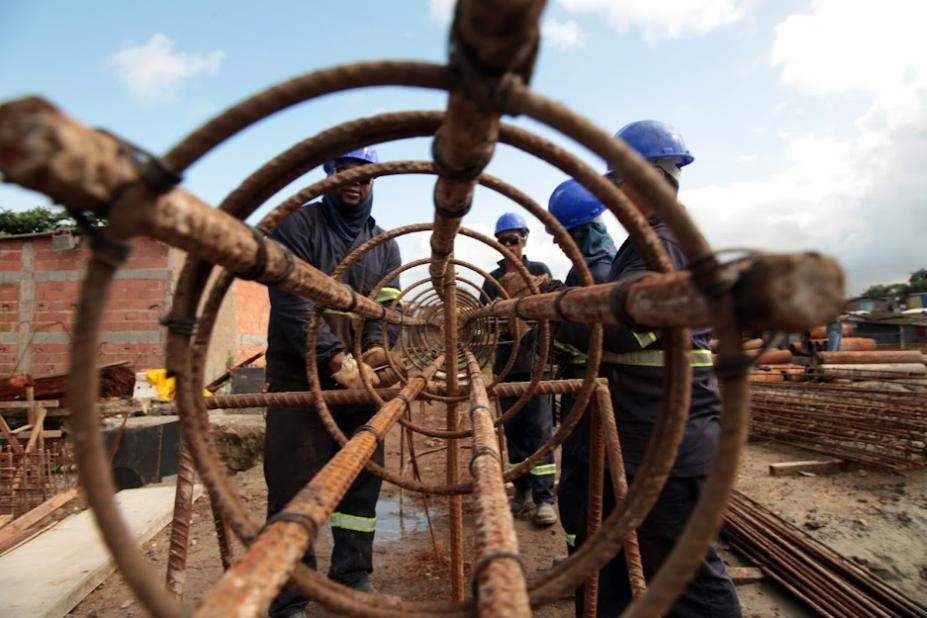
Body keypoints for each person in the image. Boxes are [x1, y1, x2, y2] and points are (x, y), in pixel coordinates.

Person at [569, 120, 742, 617]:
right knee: (641, 558)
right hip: (661, 431)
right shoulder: (654, 239)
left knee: (687, 577)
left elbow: (628, 326)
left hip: (670, 440)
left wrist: (559, 312)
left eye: (617, 183)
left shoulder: (658, 244)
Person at [263, 146, 402, 617]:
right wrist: (335, 357)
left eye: (364, 174)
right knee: (293, 486)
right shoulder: (298, 226)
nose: (355, 181)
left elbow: (386, 309)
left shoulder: (385, 243)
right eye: (345, 171)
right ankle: (288, 598)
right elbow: (293, 301)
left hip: (362, 382)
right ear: (329, 173)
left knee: (362, 483)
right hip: (299, 377)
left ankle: (352, 577)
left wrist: (377, 351)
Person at [545, 178, 617, 553]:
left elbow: (585, 338)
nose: (556, 242)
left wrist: (550, 318)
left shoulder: (599, 276)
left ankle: (584, 561)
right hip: (581, 392)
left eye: (561, 234)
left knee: (584, 483)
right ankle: (582, 556)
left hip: (591, 395)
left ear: (577, 231)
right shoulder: (585, 270)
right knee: (579, 480)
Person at [481, 212, 558, 528]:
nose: (507, 245)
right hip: (506, 366)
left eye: (513, 239)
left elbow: (548, 310)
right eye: (502, 240)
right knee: (513, 433)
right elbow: (483, 321)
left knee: (539, 430)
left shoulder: (538, 271)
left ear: (524, 240)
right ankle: (521, 491)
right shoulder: (491, 279)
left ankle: (544, 499)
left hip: (536, 363)